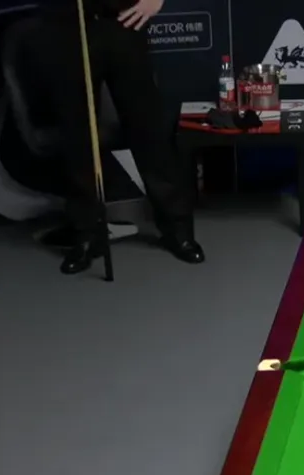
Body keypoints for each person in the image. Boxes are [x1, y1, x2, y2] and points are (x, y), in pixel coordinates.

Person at [29, 0, 203, 274]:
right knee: (77, 137)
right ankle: (87, 232)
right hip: (67, 26)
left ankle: (176, 227)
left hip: (122, 21)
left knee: (148, 129)